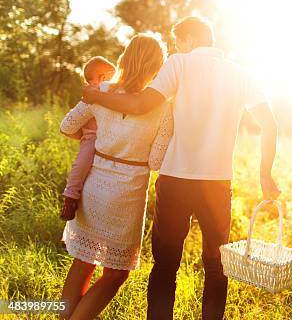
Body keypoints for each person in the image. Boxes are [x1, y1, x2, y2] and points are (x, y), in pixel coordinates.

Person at [82, 16, 280, 320]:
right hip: (217, 184)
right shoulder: (241, 74)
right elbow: (269, 123)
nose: (177, 49)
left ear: (188, 40)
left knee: (165, 265)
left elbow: (139, 105)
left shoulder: (179, 63)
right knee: (217, 265)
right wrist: (264, 173)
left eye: (178, 43)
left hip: (175, 180)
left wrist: (97, 96)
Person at [59, 34, 173, 320]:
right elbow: (156, 161)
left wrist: (92, 141)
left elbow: (66, 126)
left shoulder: (102, 90)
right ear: (157, 66)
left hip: (94, 186)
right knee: (116, 273)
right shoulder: (164, 107)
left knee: (83, 262)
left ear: (124, 58)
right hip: (128, 193)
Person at [60, 56, 116, 221]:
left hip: (107, 137)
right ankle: (70, 196)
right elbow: (73, 122)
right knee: (83, 161)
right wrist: (83, 135)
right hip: (92, 137)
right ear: (103, 78)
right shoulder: (93, 94)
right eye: (112, 77)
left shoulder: (105, 94)